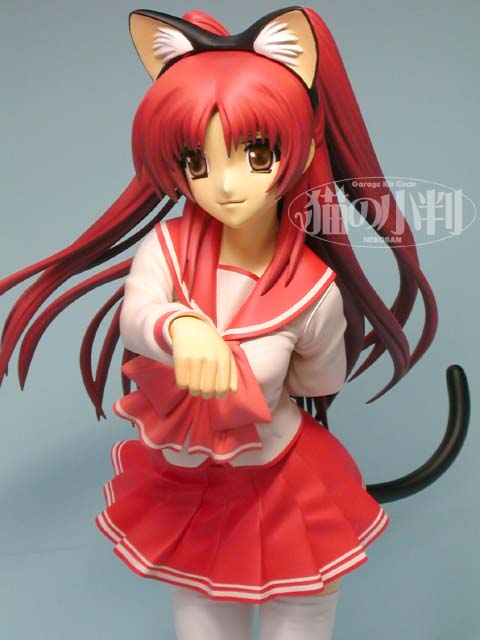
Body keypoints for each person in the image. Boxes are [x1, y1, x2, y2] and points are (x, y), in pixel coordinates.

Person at [0, 7, 467, 640]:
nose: (223, 184)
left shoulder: (314, 291)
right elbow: (139, 314)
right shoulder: (168, 250)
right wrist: (181, 328)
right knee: (202, 616)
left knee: (300, 613)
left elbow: (318, 382)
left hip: (285, 484)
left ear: (301, 146)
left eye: (256, 154)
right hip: (190, 484)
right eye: (197, 159)